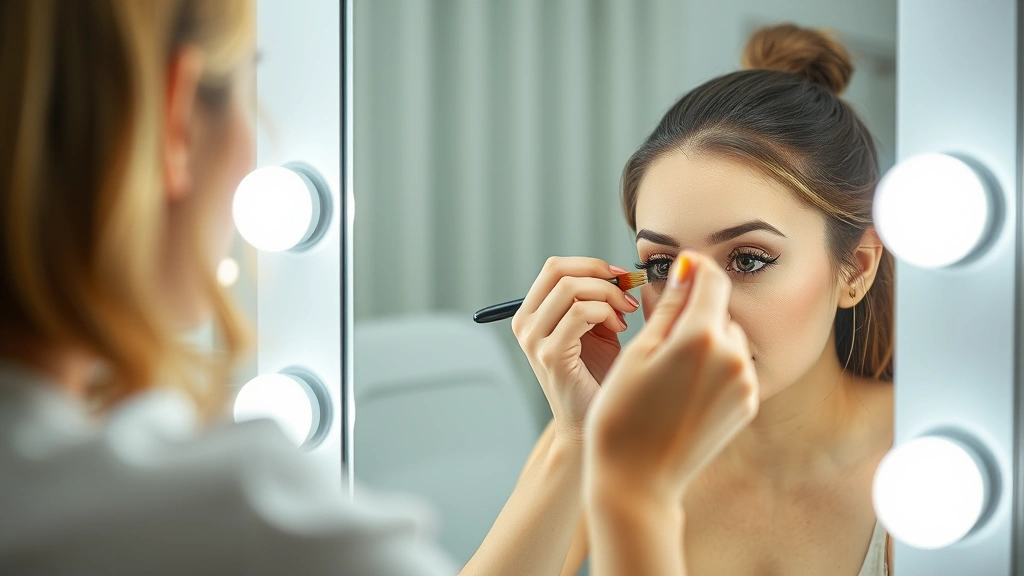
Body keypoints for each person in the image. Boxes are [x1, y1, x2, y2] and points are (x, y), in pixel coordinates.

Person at [0, 1, 759, 575]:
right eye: (663, 266)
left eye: (751, 259)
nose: (701, 299)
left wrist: (593, 447)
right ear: (175, 113)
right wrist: (631, 487)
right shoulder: (224, 517)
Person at [462, 23, 895, 576]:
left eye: (748, 260)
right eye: (663, 267)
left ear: (855, 268)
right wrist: (581, 439)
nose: (696, 310)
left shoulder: (929, 460)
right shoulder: (613, 433)